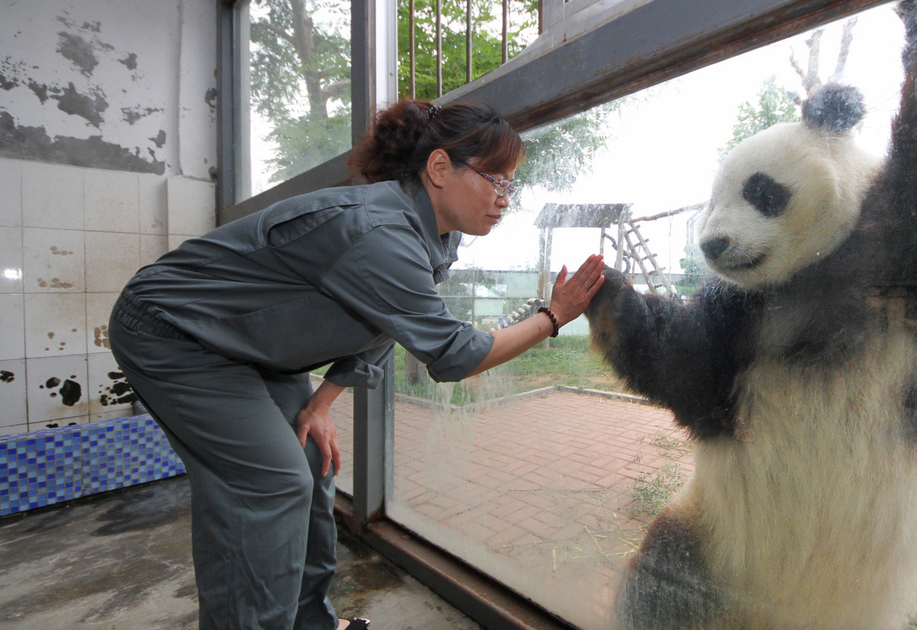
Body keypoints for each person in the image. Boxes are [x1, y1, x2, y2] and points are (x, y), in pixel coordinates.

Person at [108, 99, 605, 630]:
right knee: (270, 485)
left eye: (512, 184)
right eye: (496, 180)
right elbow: (454, 355)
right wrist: (553, 317)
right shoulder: (378, 231)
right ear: (439, 169)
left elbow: (384, 322)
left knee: (311, 463)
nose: (505, 198)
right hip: (173, 332)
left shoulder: (435, 234)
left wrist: (321, 404)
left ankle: (308, 622)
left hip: (249, 343)